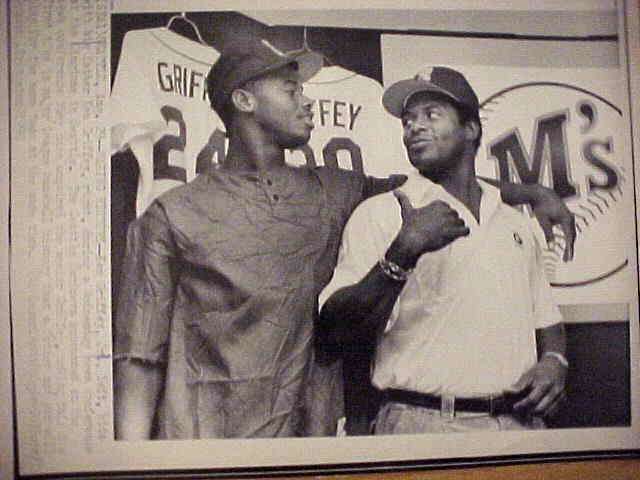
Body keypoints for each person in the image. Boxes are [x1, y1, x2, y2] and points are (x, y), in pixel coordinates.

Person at [113, 40, 574, 439]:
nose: (306, 102)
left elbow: (437, 183)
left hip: (308, 439)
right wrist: (129, 463)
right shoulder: (172, 214)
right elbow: (139, 357)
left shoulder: (334, 189)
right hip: (206, 439)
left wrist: (532, 192)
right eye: (291, 90)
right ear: (245, 101)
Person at [318, 66, 568, 435]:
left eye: (431, 114)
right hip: (424, 421)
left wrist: (555, 360)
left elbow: (545, 317)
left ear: (471, 129)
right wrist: (404, 250)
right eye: (407, 120)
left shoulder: (514, 221)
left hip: (518, 424)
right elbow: (333, 331)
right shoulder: (383, 212)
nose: (414, 127)